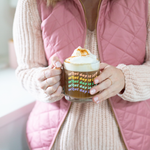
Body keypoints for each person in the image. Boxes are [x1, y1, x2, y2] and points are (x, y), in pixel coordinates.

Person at [13, 0, 150, 149]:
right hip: (54, 140)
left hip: (132, 137)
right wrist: (43, 81)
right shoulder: (32, 2)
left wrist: (125, 79)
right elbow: (26, 70)